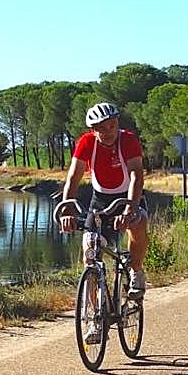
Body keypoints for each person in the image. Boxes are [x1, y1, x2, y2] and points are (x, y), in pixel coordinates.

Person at [58, 102, 149, 306]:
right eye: (102, 128)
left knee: (138, 224)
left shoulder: (128, 140)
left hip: (129, 194)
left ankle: (136, 271)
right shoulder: (86, 143)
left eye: (112, 125)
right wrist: (67, 210)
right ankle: (94, 317)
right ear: (93, 129)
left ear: (117, 123)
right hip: (100, 199)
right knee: (90, 253)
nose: (109, 132)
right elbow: (73, 178)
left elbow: (136, 176)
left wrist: (129, 210)